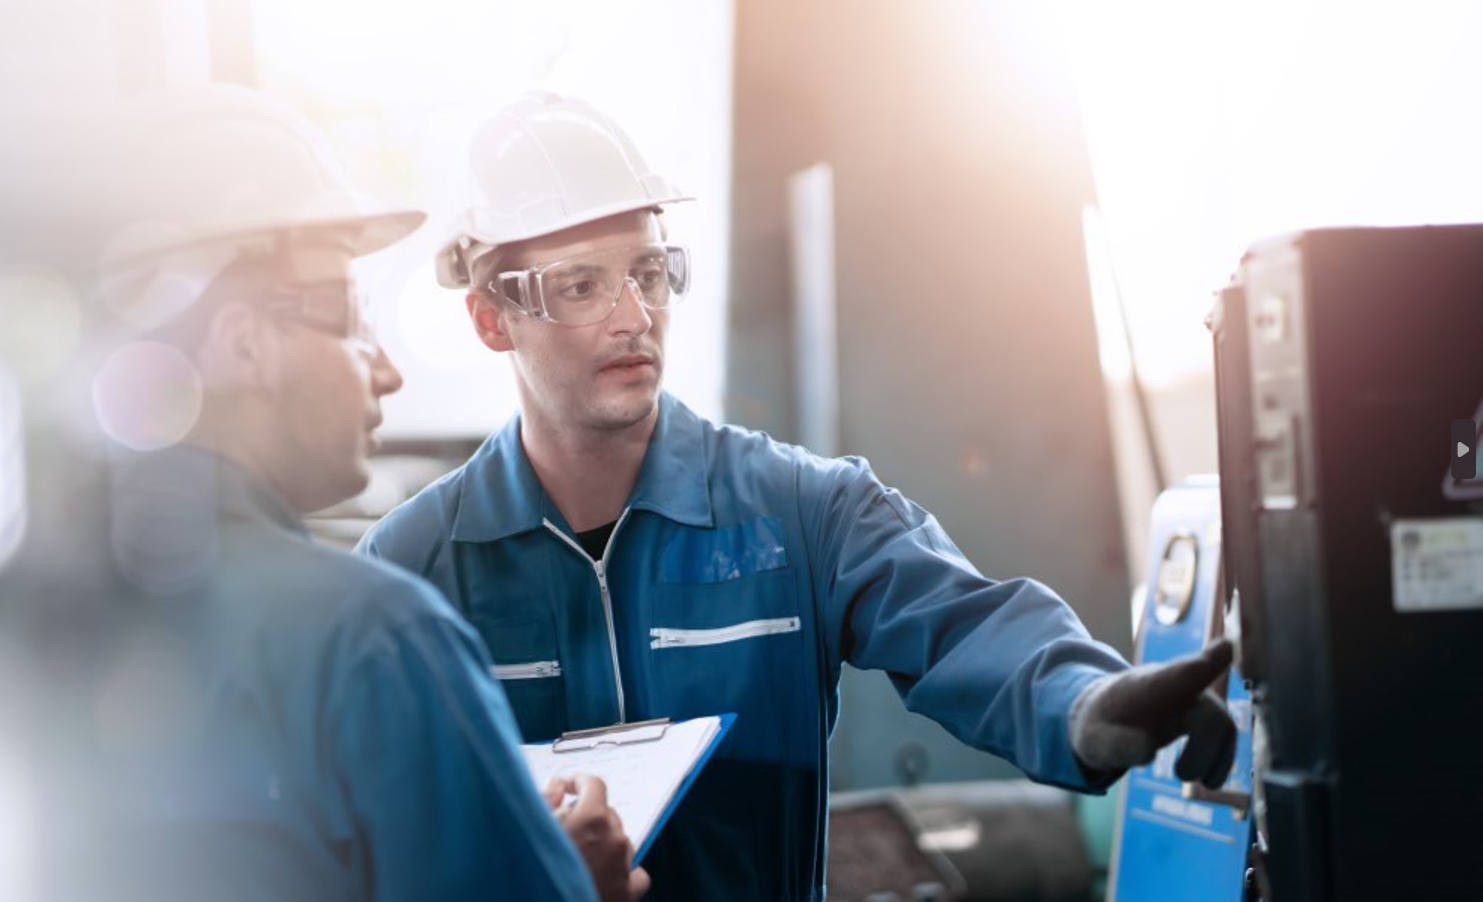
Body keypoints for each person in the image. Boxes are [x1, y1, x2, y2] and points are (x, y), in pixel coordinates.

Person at [356, 91, 1235, 901]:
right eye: (581, 285)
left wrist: (1080, 703)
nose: (632, 315)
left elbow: (965, 624)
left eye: (650, 273)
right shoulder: (412, 573)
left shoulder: (800, 513)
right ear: (489, 318)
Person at [84, 86, 645, 902]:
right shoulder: (376, 638)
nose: (386, 369)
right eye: (349, 318)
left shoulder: (46, 615)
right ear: (244, 343)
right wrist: (570, 886)